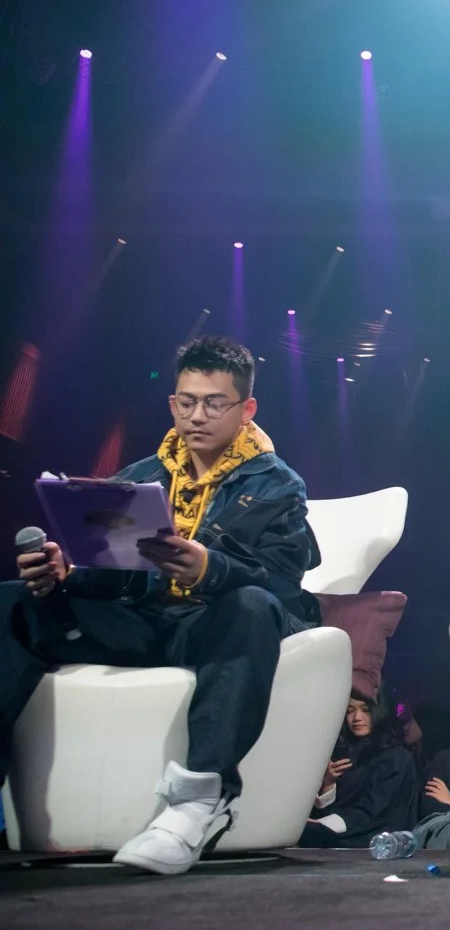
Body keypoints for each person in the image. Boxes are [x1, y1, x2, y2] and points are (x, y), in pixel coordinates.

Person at [1, 336, 322, 875]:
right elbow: (112, 573)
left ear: (246, 410)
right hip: (145, 625)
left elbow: (283, 586)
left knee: (250, 603)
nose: (197, 416)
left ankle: (200, 801)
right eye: (185, 401)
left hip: (211, 627)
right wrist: (68, 574)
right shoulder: (140, 475)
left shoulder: (277, 487)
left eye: (214, 403)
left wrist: (208, 568)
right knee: (12, 601)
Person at [301, 689, 419, 847]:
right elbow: (331, 811)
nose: (357, 718)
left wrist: (320, 825)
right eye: (350, 711)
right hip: (341, 834)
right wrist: (328, 783)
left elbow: (373, 809)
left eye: (366, 710)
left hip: (379, 842)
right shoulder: (342, 752)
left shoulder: (396, 756)